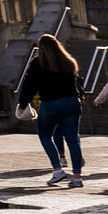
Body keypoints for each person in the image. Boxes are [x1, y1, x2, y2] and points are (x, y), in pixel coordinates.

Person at [13, 33, 85, 187]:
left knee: (45, 135)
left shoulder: (39, 63)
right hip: (72, 102)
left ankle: (58, 169)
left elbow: (29, 85)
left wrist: (23, 103)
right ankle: (77, 177)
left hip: (50, 104)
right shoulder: (68, 62)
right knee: (73, 140)